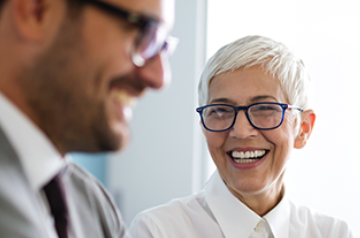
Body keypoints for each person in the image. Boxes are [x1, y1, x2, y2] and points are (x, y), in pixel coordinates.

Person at [128, 35, 355, 238]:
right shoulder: (157, 231)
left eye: (265, 108)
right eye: (220, 111)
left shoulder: (334, 234)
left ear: (303, 128)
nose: (241, 132)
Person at [0, 0, 177, 237]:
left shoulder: (95, 209)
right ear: (37, 12)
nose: (160, 78)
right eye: (144, 34)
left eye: (160, 45)